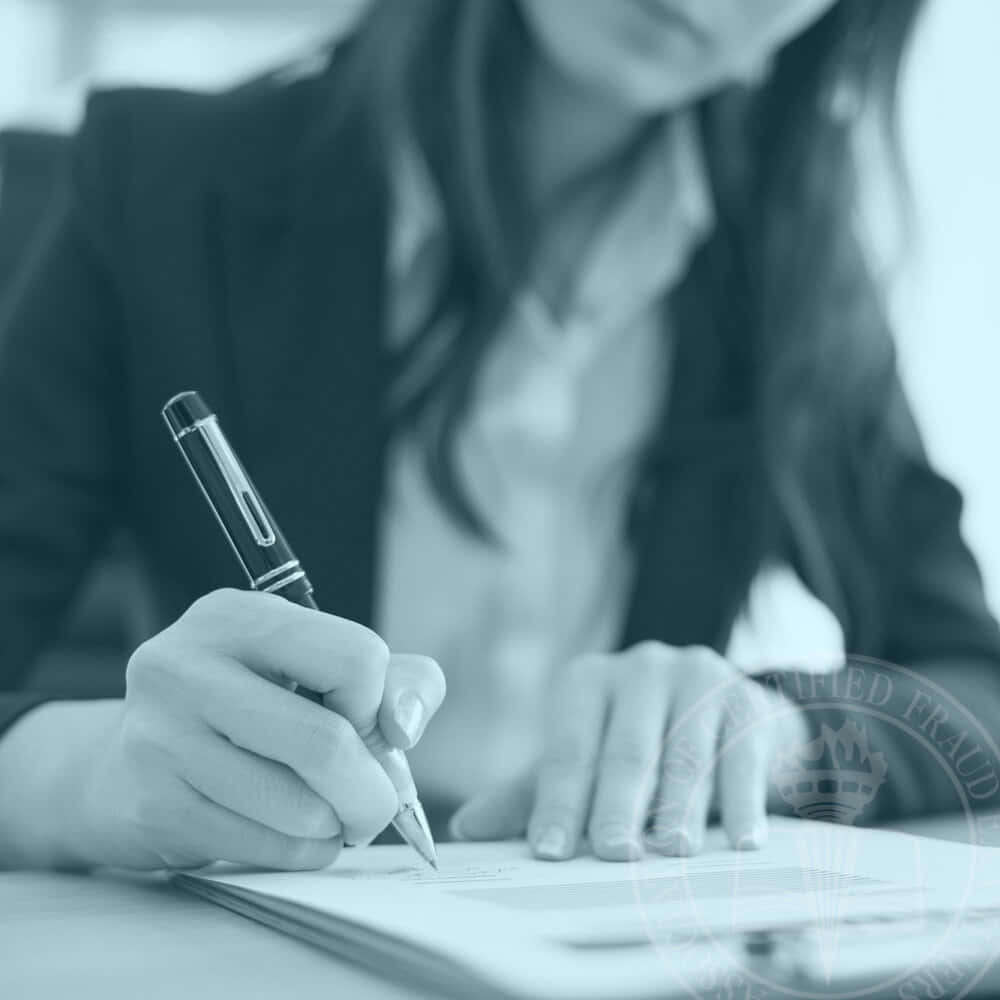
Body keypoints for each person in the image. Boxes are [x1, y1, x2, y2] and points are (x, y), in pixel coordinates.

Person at [1, 0, 999, 873]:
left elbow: (975, 684)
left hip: (588, 934)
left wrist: (776, 737)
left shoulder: (792, 273)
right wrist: (78, 772)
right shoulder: (161, 185)